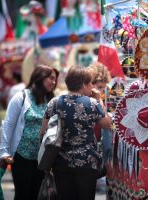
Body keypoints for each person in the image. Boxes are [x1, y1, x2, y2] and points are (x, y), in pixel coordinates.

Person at [40, 65, 112, 200]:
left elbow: (43, 132)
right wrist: (99, 100)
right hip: (87, 162)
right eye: (90, 83)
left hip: (60, 162)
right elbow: (107, 124)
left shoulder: (54, 102)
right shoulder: (91, 103)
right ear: (84, 84)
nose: (92, 86)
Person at [0, 65, 59, 200]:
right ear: (40, 77)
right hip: (21, 155)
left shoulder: (50, 100)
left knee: (36, 194)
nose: (54, 82)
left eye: (55, 79)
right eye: (51, 78)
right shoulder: (21, 97)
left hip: (41, 157)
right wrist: (4, 152)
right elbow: (8, 124)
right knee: (22, 194)